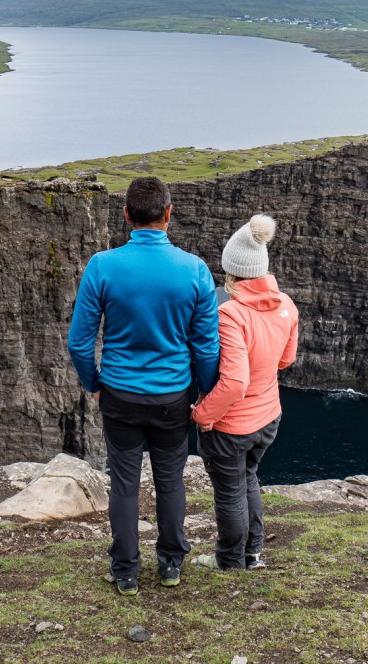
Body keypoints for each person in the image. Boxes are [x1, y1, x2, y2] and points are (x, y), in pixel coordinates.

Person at [67, 176, 220, 596]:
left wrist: (94, 383)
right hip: (174, 396)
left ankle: (125, 571)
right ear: (168, 214)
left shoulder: (103, 265)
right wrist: (204, 391)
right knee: (171, 480)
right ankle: (170, 564)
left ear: (127, 216)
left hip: (119, 394)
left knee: (124, 484)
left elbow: (79, 341)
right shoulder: (194, 270)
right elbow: (206, 348)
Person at [191, 214, 298, 571]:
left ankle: (229, 561)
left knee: (230, 492)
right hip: (269, 418)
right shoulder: (286, 304)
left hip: (232, 426)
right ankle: (252, 554)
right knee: (248, 478)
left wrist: (203, 415)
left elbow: (235, 382)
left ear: (230, 270)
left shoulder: (230, 314)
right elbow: (286, 360)